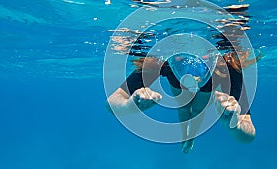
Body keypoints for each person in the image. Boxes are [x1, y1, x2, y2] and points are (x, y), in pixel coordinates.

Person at [107, 49, 260, 153]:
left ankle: (191, 136)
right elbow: (112, 101)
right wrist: (130, 105)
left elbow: (248, 135)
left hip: (206, 88)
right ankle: (185, 136)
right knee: (183, 107)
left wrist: (234, 124)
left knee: (198, 111)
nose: (192, 60)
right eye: (182, 52)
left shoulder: (228, 64)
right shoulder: (162, 62)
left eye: (204, 54)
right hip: (179, 87)